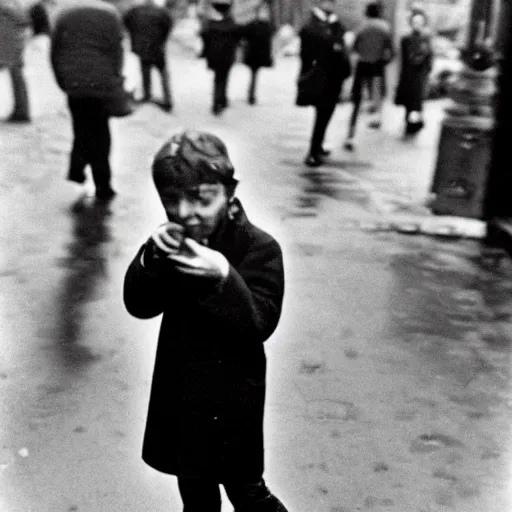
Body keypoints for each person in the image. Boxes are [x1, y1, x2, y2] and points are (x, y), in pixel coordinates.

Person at [123, 130, 289, 512]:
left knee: (247, 492)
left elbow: (259, 324)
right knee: (195, 493)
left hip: (233, 400)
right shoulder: (175, 244)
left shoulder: (259, 247)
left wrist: (223, 277)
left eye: (201, 199)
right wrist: (150, 260)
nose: (184, 212)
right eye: (171, 200)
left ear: (228, 192)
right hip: (182, 391)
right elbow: (139, 304)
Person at [51, 0, 125, 200]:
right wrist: (115, 77)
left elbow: (55, 50)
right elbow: (117, 50)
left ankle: (77, 168)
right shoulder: (110, 14)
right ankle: (103, 183)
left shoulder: (65, 14)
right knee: (101, 132)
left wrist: (62, 80)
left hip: (74, 83)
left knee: (81, 127)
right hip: (101, 82)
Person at [298, 0, 350, 167]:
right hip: (319, 77)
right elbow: (308, 51)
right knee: (322, 113)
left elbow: (340, 48)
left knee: (326, 113)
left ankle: (317, 146)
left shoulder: (335, 24)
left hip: (333, 77)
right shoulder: (313, 25)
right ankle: (313, 151)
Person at [344, 1, 394, 151]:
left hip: (363, 65)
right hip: (377, 66)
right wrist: (384, 61)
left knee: (357, 99)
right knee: (377, 94)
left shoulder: (362, 26)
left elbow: (353, 48)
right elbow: (391, 51)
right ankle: (377, 118)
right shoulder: (385, 27)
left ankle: (351, 134)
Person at [123, 0, 174, 112]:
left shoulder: (134, 11)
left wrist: (134, 35)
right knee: (163, 73)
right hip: (157, 46)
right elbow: (169, 25)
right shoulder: (161, 12)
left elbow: (126, 22)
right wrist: (162, 39)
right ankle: (168, 100)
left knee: (145, 71)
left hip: (141, 47)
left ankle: (147, 96)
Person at [395, 10, 433, 136]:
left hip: (420, 74)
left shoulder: (426, 38)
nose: (417, 24)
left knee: (417, 99)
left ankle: (415, 122)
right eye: (415, 22)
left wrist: (428, 69)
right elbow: (404, 57)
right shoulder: (406, 38)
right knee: (409, 99)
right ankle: (409, 122)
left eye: (420, 22)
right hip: (409, 73)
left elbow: (429, 55)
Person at [200, 0, 241, 115]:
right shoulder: (231, 24)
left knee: (217, 78)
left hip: (214, 56)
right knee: (224, 77)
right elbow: (238, 37)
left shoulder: (211, 24)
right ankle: (220, 100)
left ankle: (218, 100)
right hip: (227, 56)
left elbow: (204, 36)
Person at [0, 0, 31, 123]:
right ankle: (22, 111)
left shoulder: (6, 6)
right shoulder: (14, 5)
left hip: (6, 44)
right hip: (15, 44)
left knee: (17, 76)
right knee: (17, 76)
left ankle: (21, 111)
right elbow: (25, 21)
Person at [241, 2, 274, 105]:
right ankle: (251, 95)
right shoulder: (264, 26)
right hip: (255, 55)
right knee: (254, 75)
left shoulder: (263, 26)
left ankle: (251, 94)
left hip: (255, 55)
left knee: (254, 75)